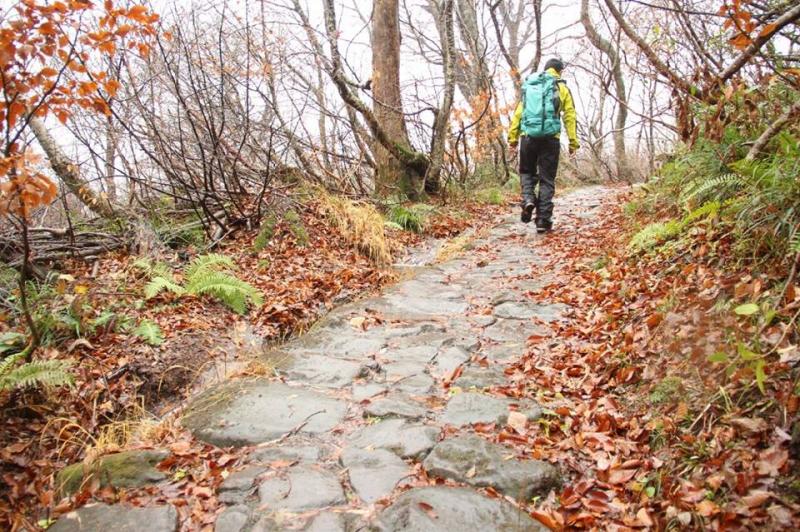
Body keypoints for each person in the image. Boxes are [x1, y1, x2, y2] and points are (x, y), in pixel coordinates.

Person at [508, 58, 579, 233]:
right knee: (547, 179)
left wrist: (513, 138)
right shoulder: (561, 87)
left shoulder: (531, 85)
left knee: (526, 172)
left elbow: (519, 112)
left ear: (546, 69)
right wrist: (573, 142)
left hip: (528, 136)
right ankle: (543, 220)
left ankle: (528, 199)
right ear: (559, 71)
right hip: (550, 138)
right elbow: (569, 115)